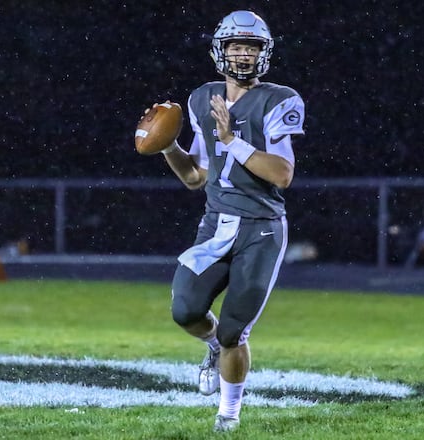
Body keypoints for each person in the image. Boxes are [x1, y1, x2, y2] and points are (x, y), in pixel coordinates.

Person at [154, 10, 305, 432]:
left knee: (235, 333)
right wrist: (167, 148)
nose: (243, 54)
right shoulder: (202, 98)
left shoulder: (280, 99)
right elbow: (195, 176)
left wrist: (232, 141)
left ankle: (228, 415)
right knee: (185, 310)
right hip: (217, 223)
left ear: (265, 52)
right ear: (220, 51)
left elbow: (282, 174)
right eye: (237, 46)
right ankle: (212, 347)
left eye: (252, 47)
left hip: (261, 228)